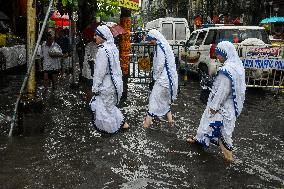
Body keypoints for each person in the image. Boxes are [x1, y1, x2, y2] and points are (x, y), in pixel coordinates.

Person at [187, 41, 246, 161]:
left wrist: (213, 107)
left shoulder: (227, 71)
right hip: (229, 107)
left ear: (225, 53)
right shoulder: (237, 67)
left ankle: (229, 159)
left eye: (218, 54)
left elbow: (222, 92)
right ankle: (199, 139)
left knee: (223, 135)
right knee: (207, 122)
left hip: (223, 109)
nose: (217, 56)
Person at [89, 25, 129, 134]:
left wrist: (95, 87)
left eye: (96, 35)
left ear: (103, 36)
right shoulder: (113, 48)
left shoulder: (102, 50)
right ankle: (123, 124)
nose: (94, 37)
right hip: (115, 83)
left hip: (106, 85)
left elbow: (99, 72)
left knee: (105, 110)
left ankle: (110, 131)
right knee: (110, 107)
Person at [143, 29, 178, 128]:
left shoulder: (160, 47)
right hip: (169, 80)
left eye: (150, 40)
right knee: (165, 100)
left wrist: (155, 77)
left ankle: (147, 123)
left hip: (163, 80)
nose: (150, 42)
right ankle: (171, 121)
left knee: (153, 100)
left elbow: (159, 65)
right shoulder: (165, 45)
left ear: (154, 38)